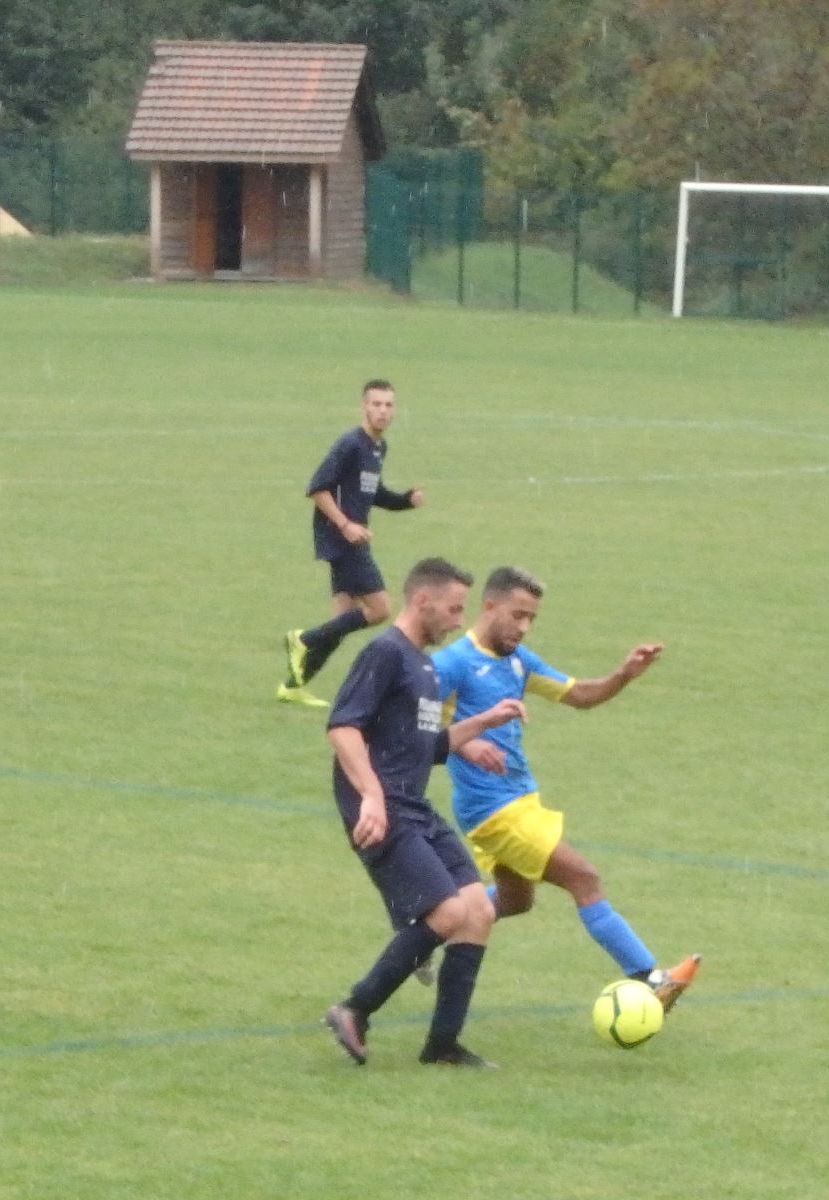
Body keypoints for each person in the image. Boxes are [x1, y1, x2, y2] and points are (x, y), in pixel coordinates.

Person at [428, 566, 700, 1009]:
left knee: (515, 900)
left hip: (519, 800)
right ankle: (650, 978)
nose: (524, 627)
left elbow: (580, 695)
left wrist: (624, 674)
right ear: (489, 606)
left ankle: (426, 930)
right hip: (492, 808)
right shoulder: (453, 663)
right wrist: (468, 744)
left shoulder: (519, 661)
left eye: (531, 618)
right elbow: (414, 723)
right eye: (517, 615)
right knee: (584, 878)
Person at [323, 557, 527, 1069]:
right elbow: (343, 728)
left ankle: (442, 1046)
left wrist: (479, 726)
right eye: (454, 609)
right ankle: (354, 1009)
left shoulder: (426, 669)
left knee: (478, 910)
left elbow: (424, 746)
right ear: (422, 600)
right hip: (382, 807)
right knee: (448, 912)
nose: (459, 621)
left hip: (412, 804)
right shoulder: (385, 653)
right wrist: (371, 796)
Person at [279, 380, 423, 708]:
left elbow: (373, 493)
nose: (382, 411)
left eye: (388, 405)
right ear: (363, 406)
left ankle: (293, 686)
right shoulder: (350, 444)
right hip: (342, 537)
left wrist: (405, 501)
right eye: (376, 404)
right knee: (380, 609)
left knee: (340, 622)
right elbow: (317, 488)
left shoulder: (377, 447)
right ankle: (302, 639)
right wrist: (345, 525)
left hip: (351, 536)